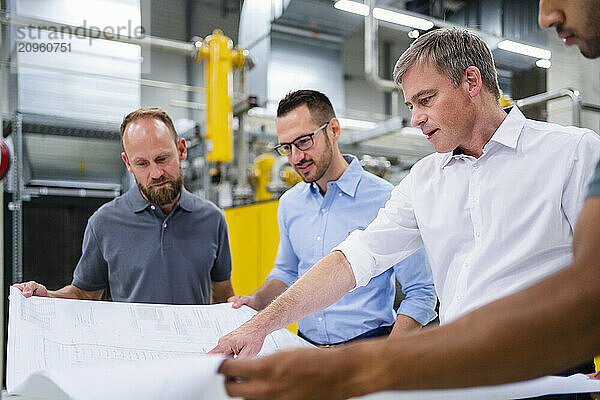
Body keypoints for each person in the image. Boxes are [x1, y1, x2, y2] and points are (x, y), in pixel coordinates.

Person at [214, 25, 600, 400]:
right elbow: (354, 259)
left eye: (425, 100)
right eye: (411, 105)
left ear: (470, 81)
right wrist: (260, 325)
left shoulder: (571, 152)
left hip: (553, 381)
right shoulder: (424, 180)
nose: (415, 118)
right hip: (462, 381)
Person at [227, 90, 437, 346]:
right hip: (304, 348)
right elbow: (286, 272)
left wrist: (388, 356)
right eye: (286, 147)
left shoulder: (387, 199)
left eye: (304, 142)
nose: (295, 158)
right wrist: (256, 301)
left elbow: (421, 292)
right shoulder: (290, 204)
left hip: (368, 347)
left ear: (334, 130)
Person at [13, 107, 234, 305]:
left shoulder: (212, 219)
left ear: (182, 150)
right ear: (128, 163)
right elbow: (84, 294)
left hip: (194, 351)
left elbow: (223, 296)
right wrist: (47, 296)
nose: (156, 173)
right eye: (142, 163)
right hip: (133, 351)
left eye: (162, 159)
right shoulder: (103, 223)